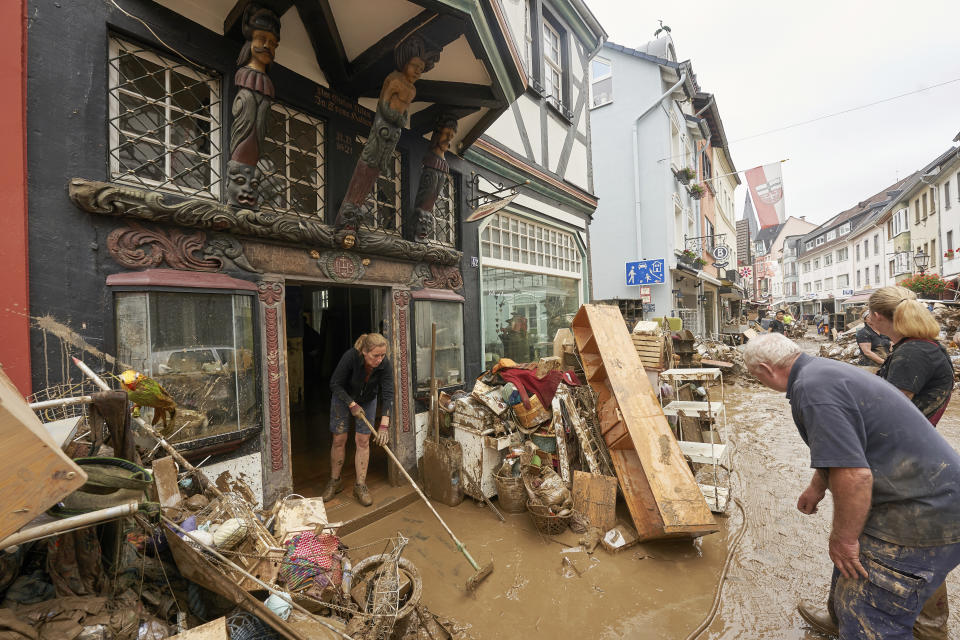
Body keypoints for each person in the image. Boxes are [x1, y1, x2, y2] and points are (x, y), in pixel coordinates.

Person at [743, 333, 960, 640]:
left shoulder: (812, 388)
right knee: (851, 568)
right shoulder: (822, 371)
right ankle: (841, 619)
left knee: (873, 618)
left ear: (765, 370)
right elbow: (845, 447)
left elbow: (856, 475)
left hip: (921, 511)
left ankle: (860, 624)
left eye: (756, 377)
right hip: (930, 494)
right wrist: (818, 485)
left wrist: (843, 538)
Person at [322, 334, 394, 507]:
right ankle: (335, 481)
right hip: (343, 397)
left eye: (382, 355)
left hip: (368, 399)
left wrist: (384, 425)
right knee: (339, 439)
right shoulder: (350, 357)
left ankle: (360, 485)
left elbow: (388, 392)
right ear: (364, 352)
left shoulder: (385, 364)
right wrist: (351, 403)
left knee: (363, 441)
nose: (379, 359)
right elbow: (334, 384)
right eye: (375, 355)